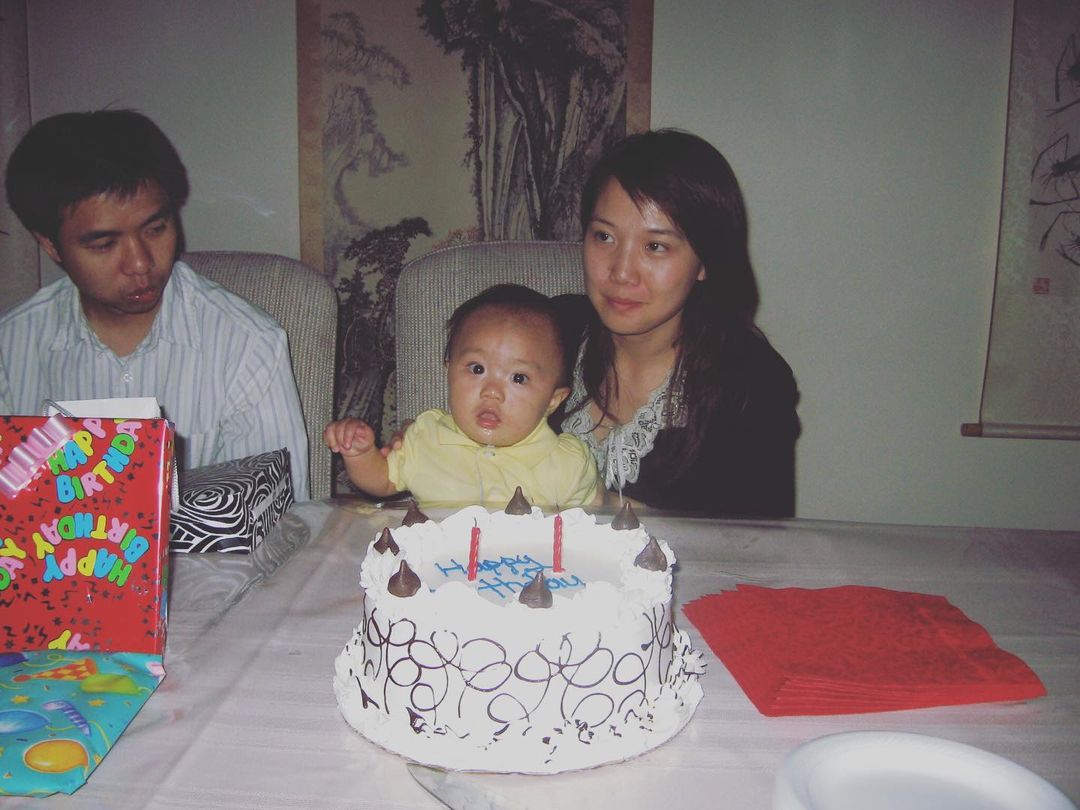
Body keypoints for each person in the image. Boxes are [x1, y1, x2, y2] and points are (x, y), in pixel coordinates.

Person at [0, 109, 310, 499]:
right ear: (50, 245)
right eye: (104, 245)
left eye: (156, 229)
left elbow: (279, 514)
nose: (140, 263)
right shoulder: (11, 347)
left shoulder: (246, 344)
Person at [555, 128, 800, 516]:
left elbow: (755, 543)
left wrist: (602, 503)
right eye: (604, 237)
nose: (621, 272)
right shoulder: (545, 333)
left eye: (655, 246)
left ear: (705, 262)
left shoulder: (751, 386)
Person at [324, 284, 598, 508]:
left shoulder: (567, 463)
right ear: (449, 371)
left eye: (518, 378)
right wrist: (360, 453)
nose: (492, 391)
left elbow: (599, 523)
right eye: (477, 369)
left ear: (553, 400)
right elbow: (382, 480)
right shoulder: (427, 437)